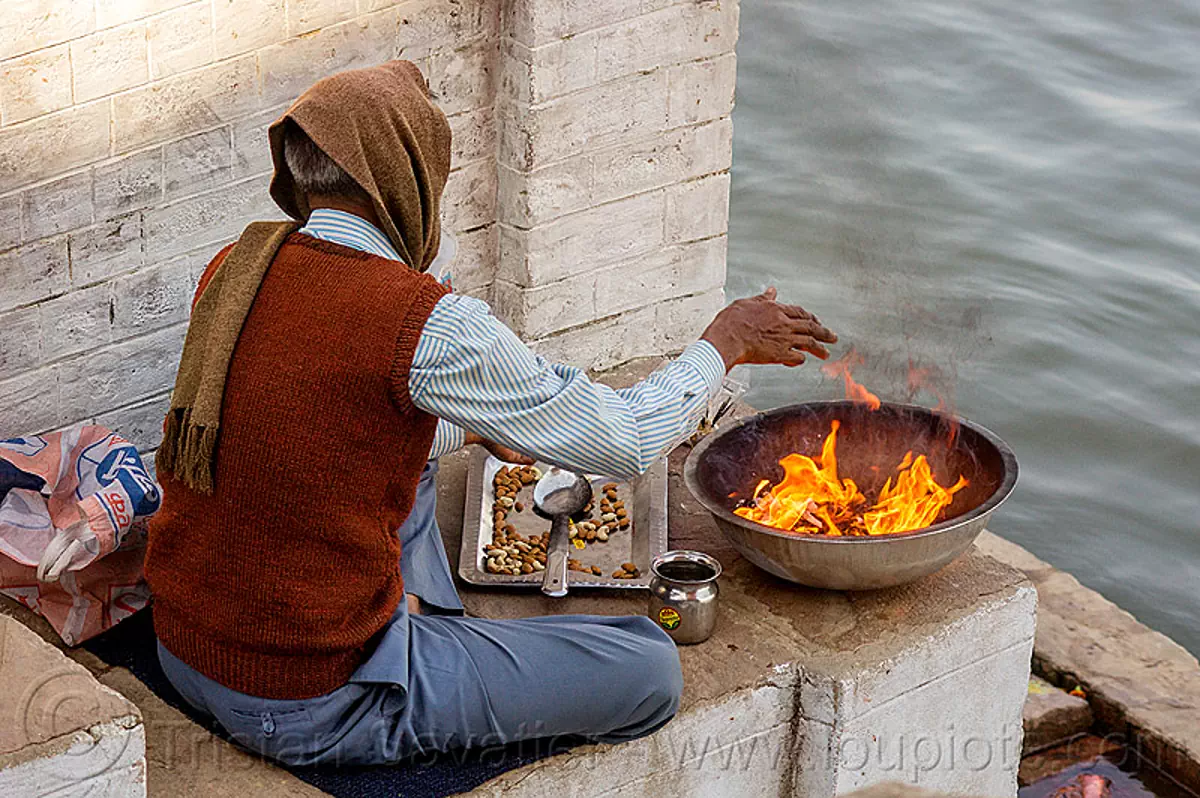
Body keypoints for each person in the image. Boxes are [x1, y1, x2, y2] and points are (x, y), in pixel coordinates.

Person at [144, 60, 837, 767]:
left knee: (411, 461)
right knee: (648, 667)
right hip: (307, 702)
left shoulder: (236, 265)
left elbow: (320, 425)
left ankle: (417, 620)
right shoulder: (423, 322)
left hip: (183, 648)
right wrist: (722, 345)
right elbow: (627, 440)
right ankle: (413, 654)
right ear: (410, 183)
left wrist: (476, 422)